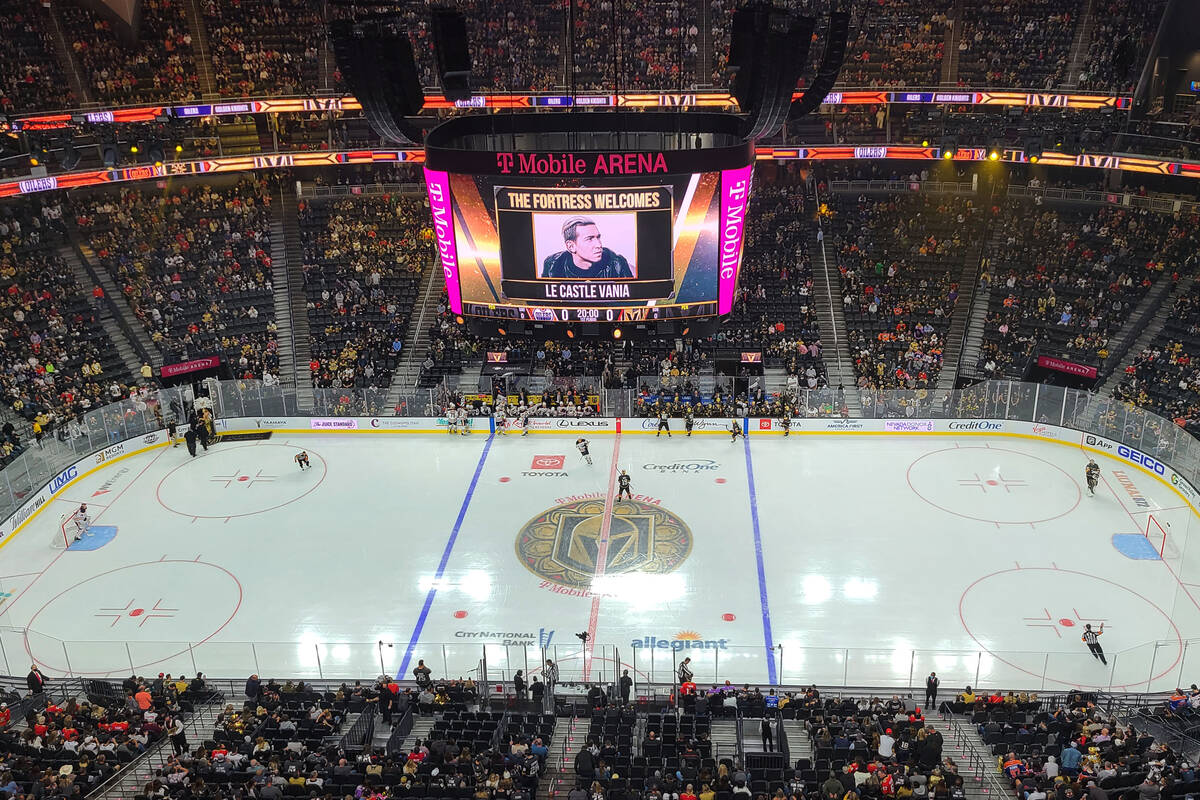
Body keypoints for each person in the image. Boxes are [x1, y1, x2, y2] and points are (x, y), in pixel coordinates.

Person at [541, 217, 634, 280]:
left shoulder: (616, 264)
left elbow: (633, 303)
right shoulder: (553, 265)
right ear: (571, 246)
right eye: (589, 239)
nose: (599, 244)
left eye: (598, 237)